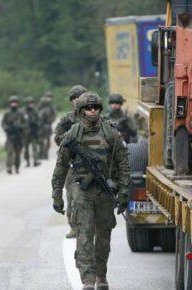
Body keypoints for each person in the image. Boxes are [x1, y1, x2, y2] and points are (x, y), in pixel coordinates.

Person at [51, 92, 130, 290]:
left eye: (95, 107)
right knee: (84, 236)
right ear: (81, 110)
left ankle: (101, 276)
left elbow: (123, 164)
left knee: (103, 237)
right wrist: (57, 195)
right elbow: (61, 166)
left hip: (105, 192)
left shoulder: (110, 133)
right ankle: (88, 279)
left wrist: (123, 193)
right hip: (82, 192)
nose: (92, 111)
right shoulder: (73, 134)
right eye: (88, 107)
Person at [53, 84, 87, 239]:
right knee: (72, 197)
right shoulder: (67, 119)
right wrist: (71, 134)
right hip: (72, 164)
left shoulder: (95, 116)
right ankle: (73, 226)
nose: (76, 101)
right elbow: (58, 139)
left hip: (92, 165)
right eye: (73, 98)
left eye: (79, 97)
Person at [2, 96, 26, 174]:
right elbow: (3, 123)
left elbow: (25, 124)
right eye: (12, 102)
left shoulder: (21, 113)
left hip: (19, 137)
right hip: (10, 136)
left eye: (15, 102)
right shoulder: (7, 113)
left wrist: (20, 127)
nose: (13, 104)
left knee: (17, 154)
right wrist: (7, 128)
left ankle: (17, 167)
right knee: (9, 152)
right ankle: (9, 167)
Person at [22, 96, 41, 167]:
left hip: (33, 133)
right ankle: (27, 162)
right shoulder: (23, 111)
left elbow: (39, 121)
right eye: (30, 103)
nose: (31, 104)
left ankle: (35, 161)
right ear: (26, 104)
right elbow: (20, 121)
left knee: (35, 148)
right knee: (26, 149)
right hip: (25, 133)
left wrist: (36, 125)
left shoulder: (35, 111)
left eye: (32, 103)